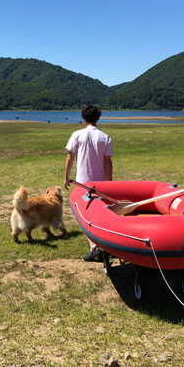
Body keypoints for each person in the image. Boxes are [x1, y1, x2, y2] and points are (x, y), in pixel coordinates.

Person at [64, 104, 113, 261]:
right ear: (98, 118)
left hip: (82, 183)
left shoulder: (77, 134)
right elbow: (108, 162)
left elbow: (70, 157)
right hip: (100, 183)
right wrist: (110, 183)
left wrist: (66, 177)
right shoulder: (105, 137)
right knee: (101, 213)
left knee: (84, 214)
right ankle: (103, 244)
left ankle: (93, 246)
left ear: (83, 118)